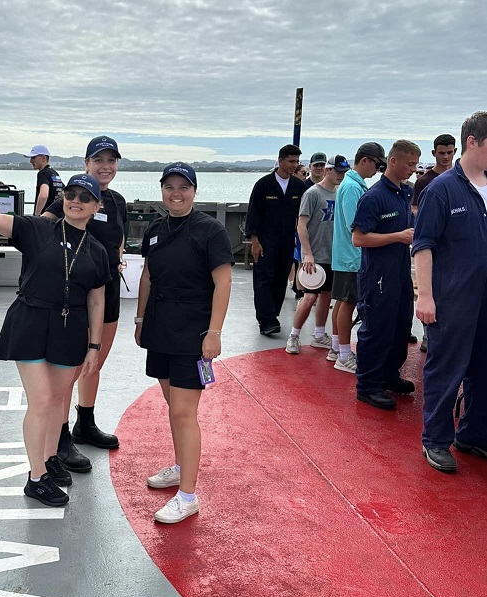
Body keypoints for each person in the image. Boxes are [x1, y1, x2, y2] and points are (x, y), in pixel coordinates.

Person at [0, 137, 110, 508]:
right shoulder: (38, 229)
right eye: (71, 195)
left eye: (85, 198)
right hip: (31, 320)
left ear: (96, 206)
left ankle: (49, 460)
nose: (76, 201)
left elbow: (97, 299)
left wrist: (94, 346)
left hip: (70, 328)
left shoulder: (96, 251)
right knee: (43, 399)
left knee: (60, 397)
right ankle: (36, 478)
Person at [134, 163, 233, 524]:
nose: (176, 193)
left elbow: (223, 284)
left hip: (193, 330)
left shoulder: (210, 230)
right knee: (171, 403)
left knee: (183, 412)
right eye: (169, 186)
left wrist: (214, 332)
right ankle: (180, 466)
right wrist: (141, 318)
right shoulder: (156, 229)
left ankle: (188, 496)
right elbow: (147, 275)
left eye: (183, 186)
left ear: (194, 190)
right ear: (162, 190)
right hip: (160, 326)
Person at [43, 135, 127, 472]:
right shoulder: (74, 197)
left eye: (111, 160)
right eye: (98, 160)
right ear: (86, 163)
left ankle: (85, 423)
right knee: (69, 370)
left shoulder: (117, 201)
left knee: (94, 364)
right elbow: (44, 230)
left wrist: (116, 259)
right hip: (76, 298)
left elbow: (116, 239)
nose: (105, 166)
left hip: (107, 293)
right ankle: (61, 438)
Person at [413, 113, 487, 472]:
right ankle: (436, 440)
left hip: (485, 299)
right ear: (473, 142)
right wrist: (424, 296)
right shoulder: (441, 190)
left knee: (483, 368)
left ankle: (473, 434)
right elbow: (423, 245)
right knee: (446, 369)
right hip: (453, 297)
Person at [352, 140, 421, 410]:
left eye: (416, 165)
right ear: (393, 162)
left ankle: (389, 375)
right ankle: (368, 386)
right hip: (378, 275)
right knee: (378, 328)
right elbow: (359, 238)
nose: (413, 170)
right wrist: (398, 237)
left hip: (400, 272)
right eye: (409, 164)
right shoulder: (374, 197)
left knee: (401, 326)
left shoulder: (404, 194)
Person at [329, 142, 386, 373]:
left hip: (346, 256)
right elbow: (357, 224)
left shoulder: (350, 184)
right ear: (365, 161)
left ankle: (336, 347)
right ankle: (343, 354)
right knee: (348, 303)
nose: (377, 170)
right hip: (353, 257)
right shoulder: (353, 188)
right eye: (377, 165)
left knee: (342, 301)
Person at [286, 155, 349, 356]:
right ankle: (294, 336)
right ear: (328, 170)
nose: (341, 176)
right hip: (315, 254)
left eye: (343, 172)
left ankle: (319, 334)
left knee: (327, 295)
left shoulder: (340, 193)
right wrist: (307, 253)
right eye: (338, 171)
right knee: (310, 296)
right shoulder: (313, 194)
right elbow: (301, 224)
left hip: (333, 254)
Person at [246, 144, 305, 335]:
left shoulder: (298, 187)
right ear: (280, 161)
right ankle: (266, 320)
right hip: (265, 241)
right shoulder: (263, 185)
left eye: (296, 162)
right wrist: (255, 241)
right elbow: (253, 214)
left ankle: (273, 315)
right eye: (290, 161)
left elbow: (302, 217)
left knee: (280, 279)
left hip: (287, 241)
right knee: (263, 279)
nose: (293, 165)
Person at [411, 133, 457, 352]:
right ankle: (428, 334)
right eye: (442, 153)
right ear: (434, 153)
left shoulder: (461, 179)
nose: (446, 157)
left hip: (454, 249)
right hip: (432, 246)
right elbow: (416, 212)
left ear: (455, 152)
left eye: (449, 153)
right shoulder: (424, 182)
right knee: (429, 289)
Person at [25, 145, 64, 215]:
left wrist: (36, 215)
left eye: (33, 157)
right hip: (56, 218)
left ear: (43, 158)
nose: (31, 161)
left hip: (45, 219)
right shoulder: (55, 174)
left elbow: (44, 195)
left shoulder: (42, 174)